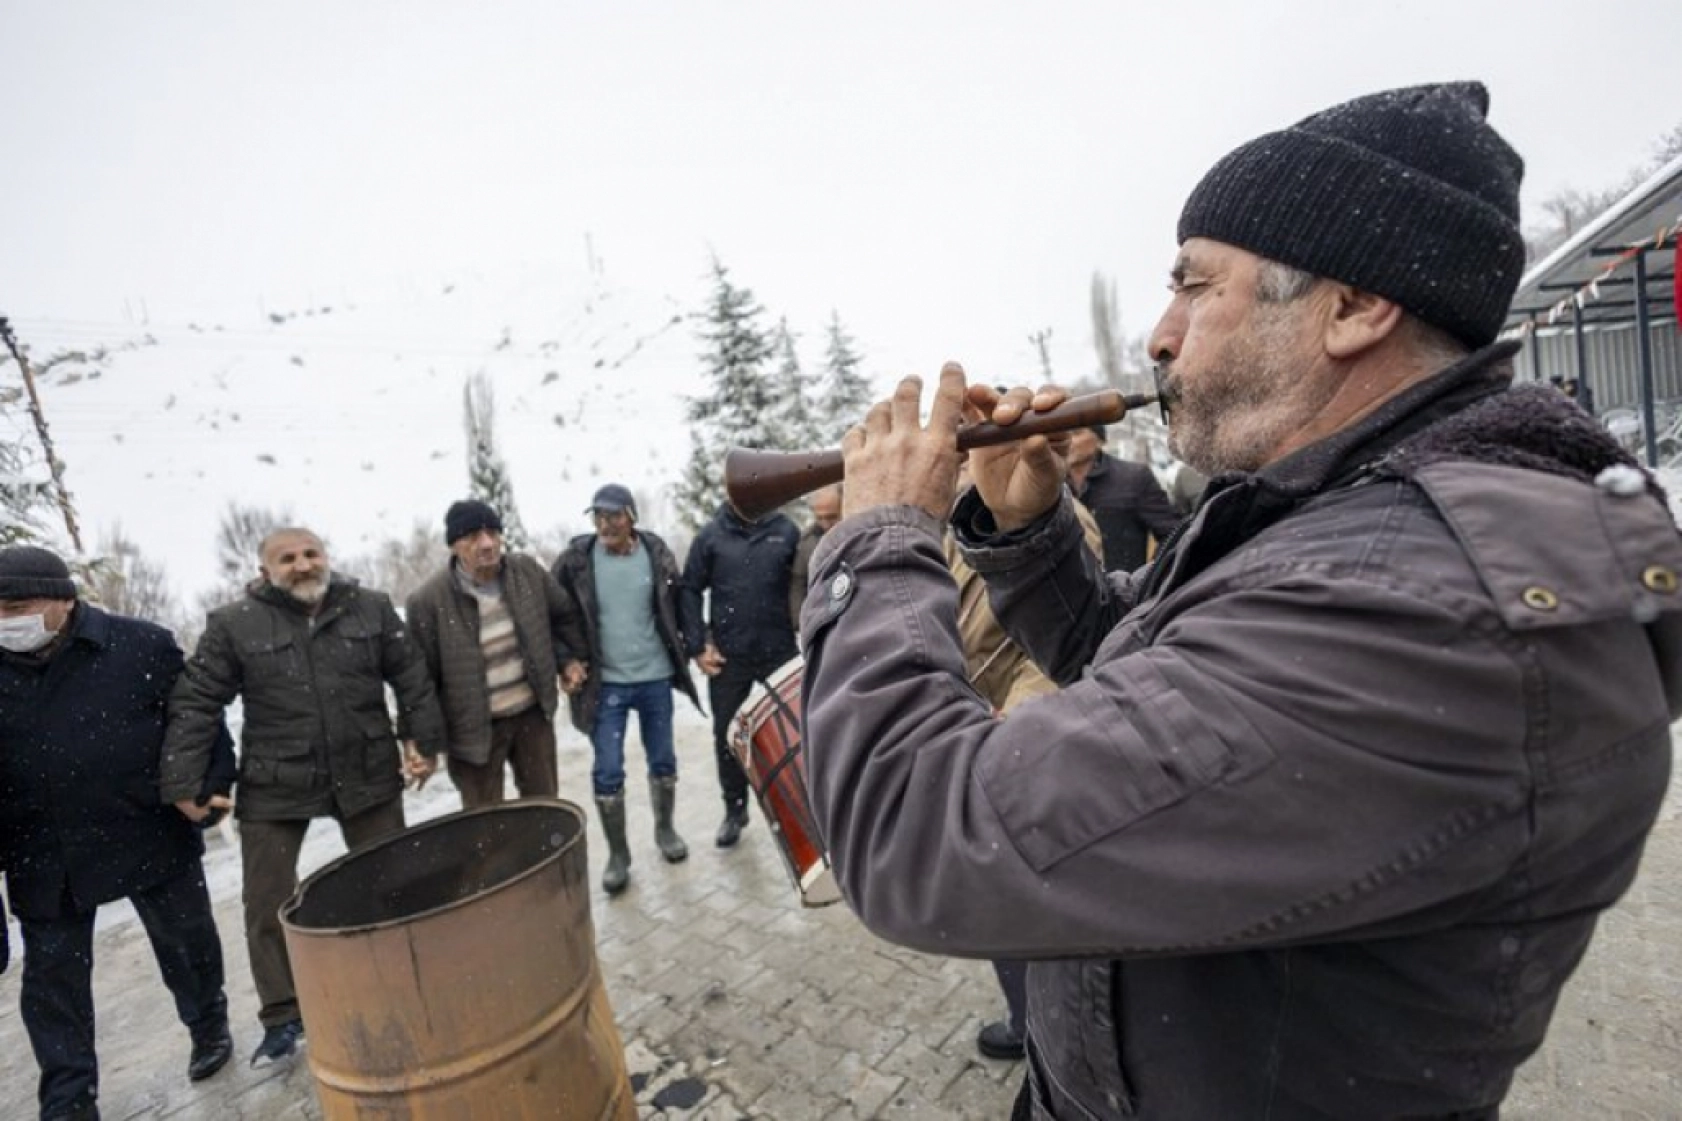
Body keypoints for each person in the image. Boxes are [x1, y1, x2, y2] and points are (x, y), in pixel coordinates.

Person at [797, 82, 1678, 1120]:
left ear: (1352, 307)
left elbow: (918, 832)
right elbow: (1147, 685)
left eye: (1191, 286)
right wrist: (1031, 537)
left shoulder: (1418, 603)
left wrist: (879, 533)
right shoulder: (1331, 518)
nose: (1158, 337)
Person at [163, 527, 446, 1067]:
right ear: (265, 568)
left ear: (327, 557)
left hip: (366, 769)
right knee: (267, 900)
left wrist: (423, 740)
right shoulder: (235, 625)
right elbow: (198, 700)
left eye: (311, 553)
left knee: (394, 882)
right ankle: (283, 1013)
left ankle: (402, 980)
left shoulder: (370, 607)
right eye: (287, 558)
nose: (302, 565)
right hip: (276, 781)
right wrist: (184, 782)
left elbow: (410, 676)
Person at [1, 545, 234, 1120]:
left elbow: (196, 722)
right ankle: (69, 1098)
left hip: (145, 828)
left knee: (187, 944)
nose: (5, 622)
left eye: (16, 606)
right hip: (43, 851)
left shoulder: (139, 646)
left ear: (62, 601)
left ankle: (208, 1024)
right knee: (52, 985)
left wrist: (208, 784)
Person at [941, 469, 1104, 1064]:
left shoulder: (1053, 521)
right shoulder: (963, 523)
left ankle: (1044, 1034)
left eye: (964, 456)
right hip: (981, 726)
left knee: (1015, 898)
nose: (953, 468)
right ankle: (1027, 1017)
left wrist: (1018, 716)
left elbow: (1067, 633)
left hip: (1022, 742)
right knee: (994, 899)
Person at [552, 483, 702, 895]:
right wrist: (566, 659)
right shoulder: (576, 561)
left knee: (663, 760)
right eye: (598, 516)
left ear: (631, 517)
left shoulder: (655, 553)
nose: (605, 524)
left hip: (654, 677)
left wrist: (696, 646)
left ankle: (666, 831)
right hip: (608, 684)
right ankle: (619, 855)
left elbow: (680, 601)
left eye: (614, 515)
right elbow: (557, 616)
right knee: (608, 769)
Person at [405, 500, 587, 808]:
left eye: (492, 533)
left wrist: (567, 660)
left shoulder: (526, 572)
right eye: (473, 536)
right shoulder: (427, 601)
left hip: (532, 716)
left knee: (544, 808)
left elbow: (561, 617)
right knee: (485, 822)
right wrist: (423, 742)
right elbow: (420, 681)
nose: (486, 543)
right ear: (454, 545)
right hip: (472, 731)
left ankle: (544, 857)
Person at [679, 499, 800, 847]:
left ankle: (805, 809)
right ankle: (734, 810)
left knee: (796, 733)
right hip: (729, 656)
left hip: (779, 651)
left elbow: (804, 583)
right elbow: (689, 589)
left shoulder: (785, 531)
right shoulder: (711, 536)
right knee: (728, 735)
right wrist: (699, 645)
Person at [1065, 424, 1181, 571]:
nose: (1067, 440)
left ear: (1100, 440)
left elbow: (1173, 534)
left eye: (1076, 432)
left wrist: (1151, 576)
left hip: (1123, 586)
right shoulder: (1050, 484)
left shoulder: (1133, 478)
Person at [788, 484, 843, 623]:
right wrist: (800, 622)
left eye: (832, 517)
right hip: (820, 618)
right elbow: (798, 582)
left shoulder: (857, 535)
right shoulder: (806, 541)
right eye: (820, 518)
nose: (825, 524)